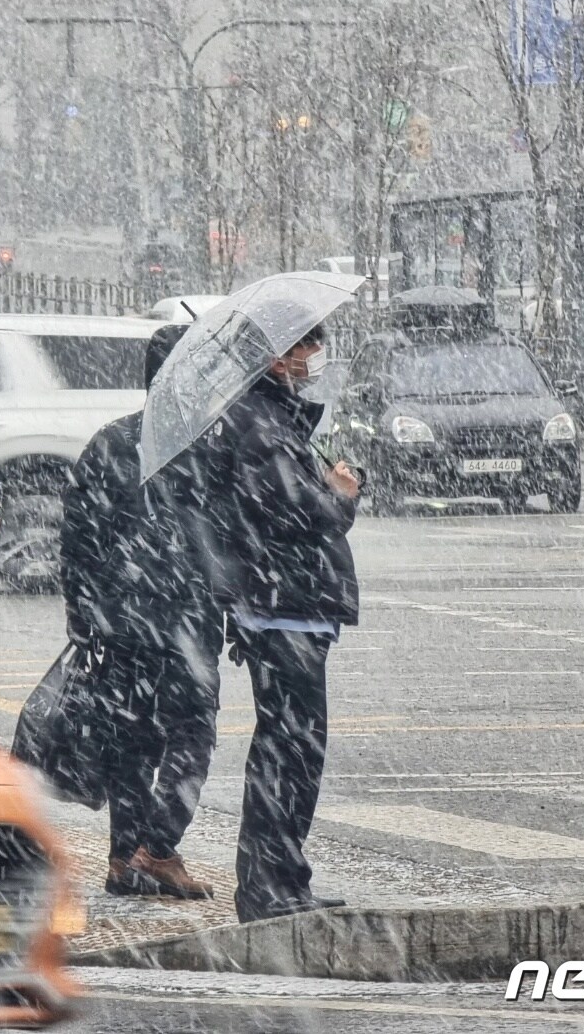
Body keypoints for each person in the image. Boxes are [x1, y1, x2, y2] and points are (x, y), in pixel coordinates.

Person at [202, 325, 361, 923]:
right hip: (283, 609)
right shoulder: (262, 427)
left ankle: (281, 878)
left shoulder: (269, 420)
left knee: (291, 746)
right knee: (290, 747)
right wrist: (341, 494)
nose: (313, 357)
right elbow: (300, 514)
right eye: (303, 347)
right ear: (273, 358)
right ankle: (271, 883)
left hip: (284, 607)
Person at [61, 324, 221, 900]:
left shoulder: (111, 441)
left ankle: (123, 857)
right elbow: (225, 538)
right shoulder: (207, 445)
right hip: (183, 620)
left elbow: (77, 540)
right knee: (191, 733)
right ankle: (157, 848)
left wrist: (83, 614)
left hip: (121, 620)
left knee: (128, 740)